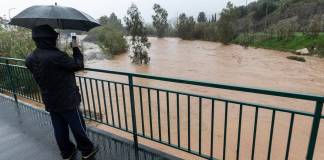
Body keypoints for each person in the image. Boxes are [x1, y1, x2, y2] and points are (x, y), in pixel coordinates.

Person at [25, 25, 98, 160]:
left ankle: (67, 152)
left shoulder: (30, 58)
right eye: (54, 38)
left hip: (50, 99)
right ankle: (87, 150)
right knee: (78, 126)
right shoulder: (57, 56)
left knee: (59, 128)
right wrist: (75, 48)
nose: (56, 40)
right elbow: (78, 65)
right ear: (49, 40)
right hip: (67, 100)